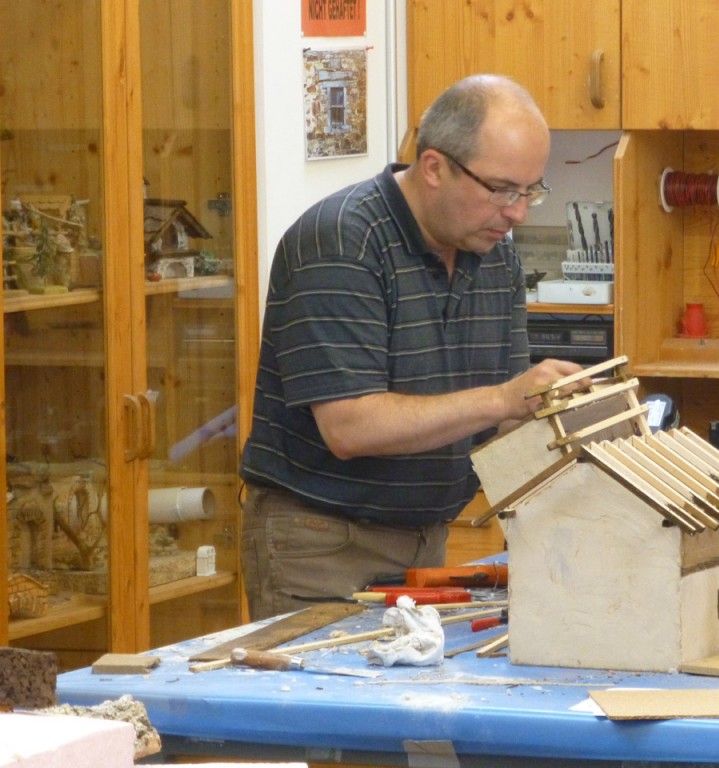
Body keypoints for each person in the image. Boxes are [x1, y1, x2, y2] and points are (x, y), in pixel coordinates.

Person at [239, 74, 583, 620]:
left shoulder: (496, 256)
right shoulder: (341, 241)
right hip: (323, 544)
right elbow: (350, 427)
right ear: (434, 167)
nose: (518, 212)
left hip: (428, 541)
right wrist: (502, 400)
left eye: (529, 191)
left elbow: (509, 419)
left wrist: (573, 424)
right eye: (501, 190)